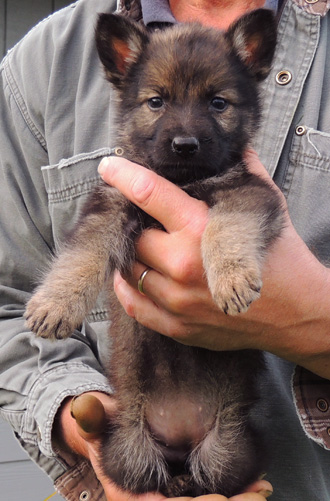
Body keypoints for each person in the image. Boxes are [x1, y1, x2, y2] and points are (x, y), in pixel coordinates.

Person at [1, 0, 330, 499]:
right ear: (123, 82)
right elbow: (87, 243)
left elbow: (247, 207)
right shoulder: (42, 63)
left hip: (233, 429)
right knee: (129, 460)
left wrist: (310, 318)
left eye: (216, 104)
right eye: (157, 102)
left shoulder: (236, 181)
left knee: (229, 461)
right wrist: (72, 408)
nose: (184, 132)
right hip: (138, 415)